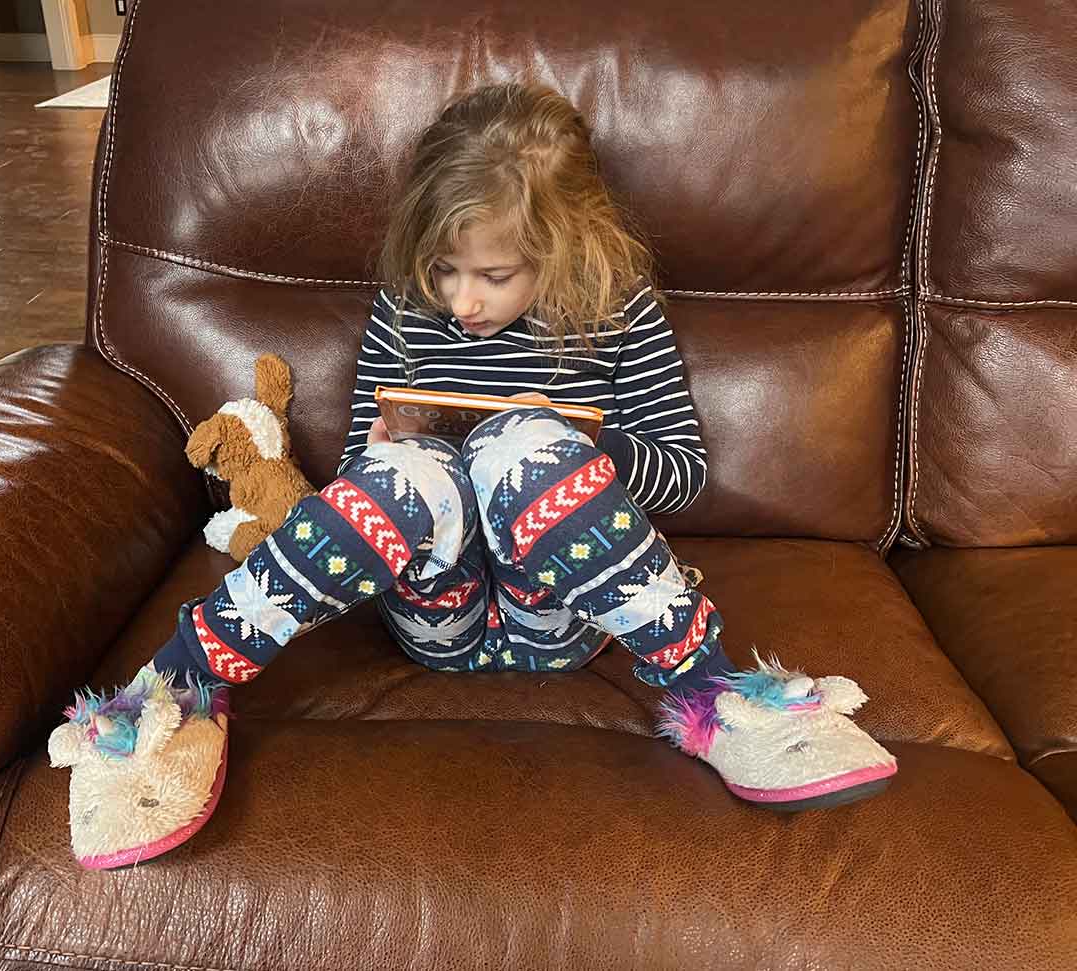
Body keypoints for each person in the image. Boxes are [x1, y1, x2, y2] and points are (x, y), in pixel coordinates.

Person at [50, 81, 897, 869]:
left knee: (521, 445)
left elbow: (681, 473)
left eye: (494, 275)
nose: (462, 301)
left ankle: (713, 691)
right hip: (434, 614)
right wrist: (384, 447)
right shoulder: (406, 302)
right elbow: (355, 478)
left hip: (560, 613)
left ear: (563, 246)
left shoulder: (619, 306)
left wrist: (575, 441)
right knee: (404, 471)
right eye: (443, 269)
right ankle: (180, 690)